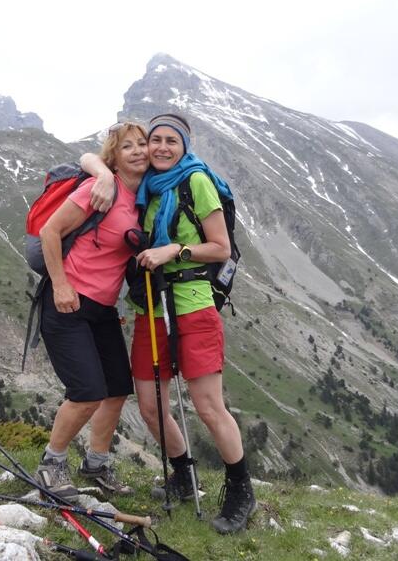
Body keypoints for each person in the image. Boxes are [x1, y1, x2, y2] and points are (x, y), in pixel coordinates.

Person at [81, 113, 256, 534]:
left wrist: (173, 250)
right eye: (154, 139)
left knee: (208, 406)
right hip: (152, 308)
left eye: (170, 141)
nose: (160, 147)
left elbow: (220, 247)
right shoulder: (149, 186)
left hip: (193, 305)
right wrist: (101, 172)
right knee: (150, 405)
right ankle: (183, 474)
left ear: (184, 145)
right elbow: (88, 158)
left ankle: (240, 490)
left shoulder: (196, 181)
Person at [32, 121, 149, 500]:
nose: (138, 150)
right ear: (114, 156)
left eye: (142, 144)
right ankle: (51, 464)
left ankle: (96, 463)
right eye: (127, 146)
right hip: (67, 303)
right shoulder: (99, 189)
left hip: (102, 309)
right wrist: (61, 285)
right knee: (86, 392)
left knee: (117, 388)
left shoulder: (142, 198)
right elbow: (50, 231)